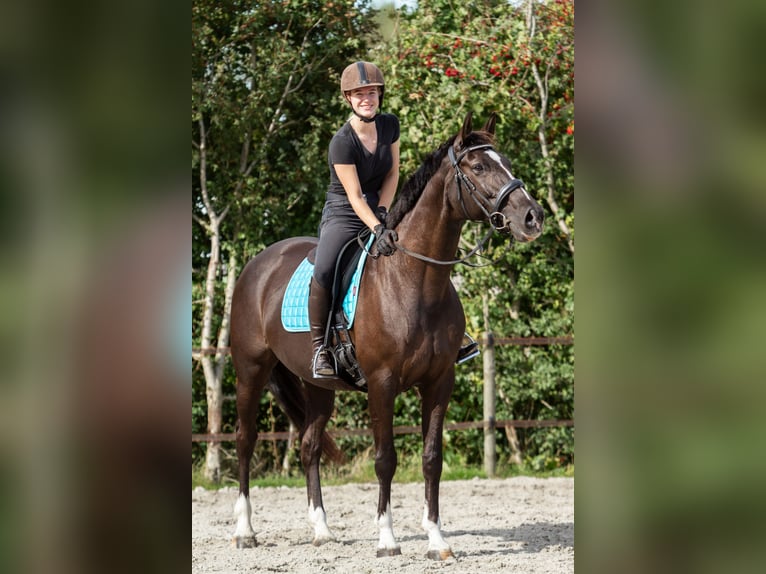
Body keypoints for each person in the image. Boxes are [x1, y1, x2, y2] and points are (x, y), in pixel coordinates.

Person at [309, 61, 400, 377]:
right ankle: (319, 347)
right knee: (324, 268)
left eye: (372, 92)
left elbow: (392, 173)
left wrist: (384, 214)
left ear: (379, 95)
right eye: (360, 94)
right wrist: (376, 226)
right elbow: (354, 196)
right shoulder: (342, 142)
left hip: (380, 207)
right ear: (349, 98)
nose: (367, 99)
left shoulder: (390, 125)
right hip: (345, 213)